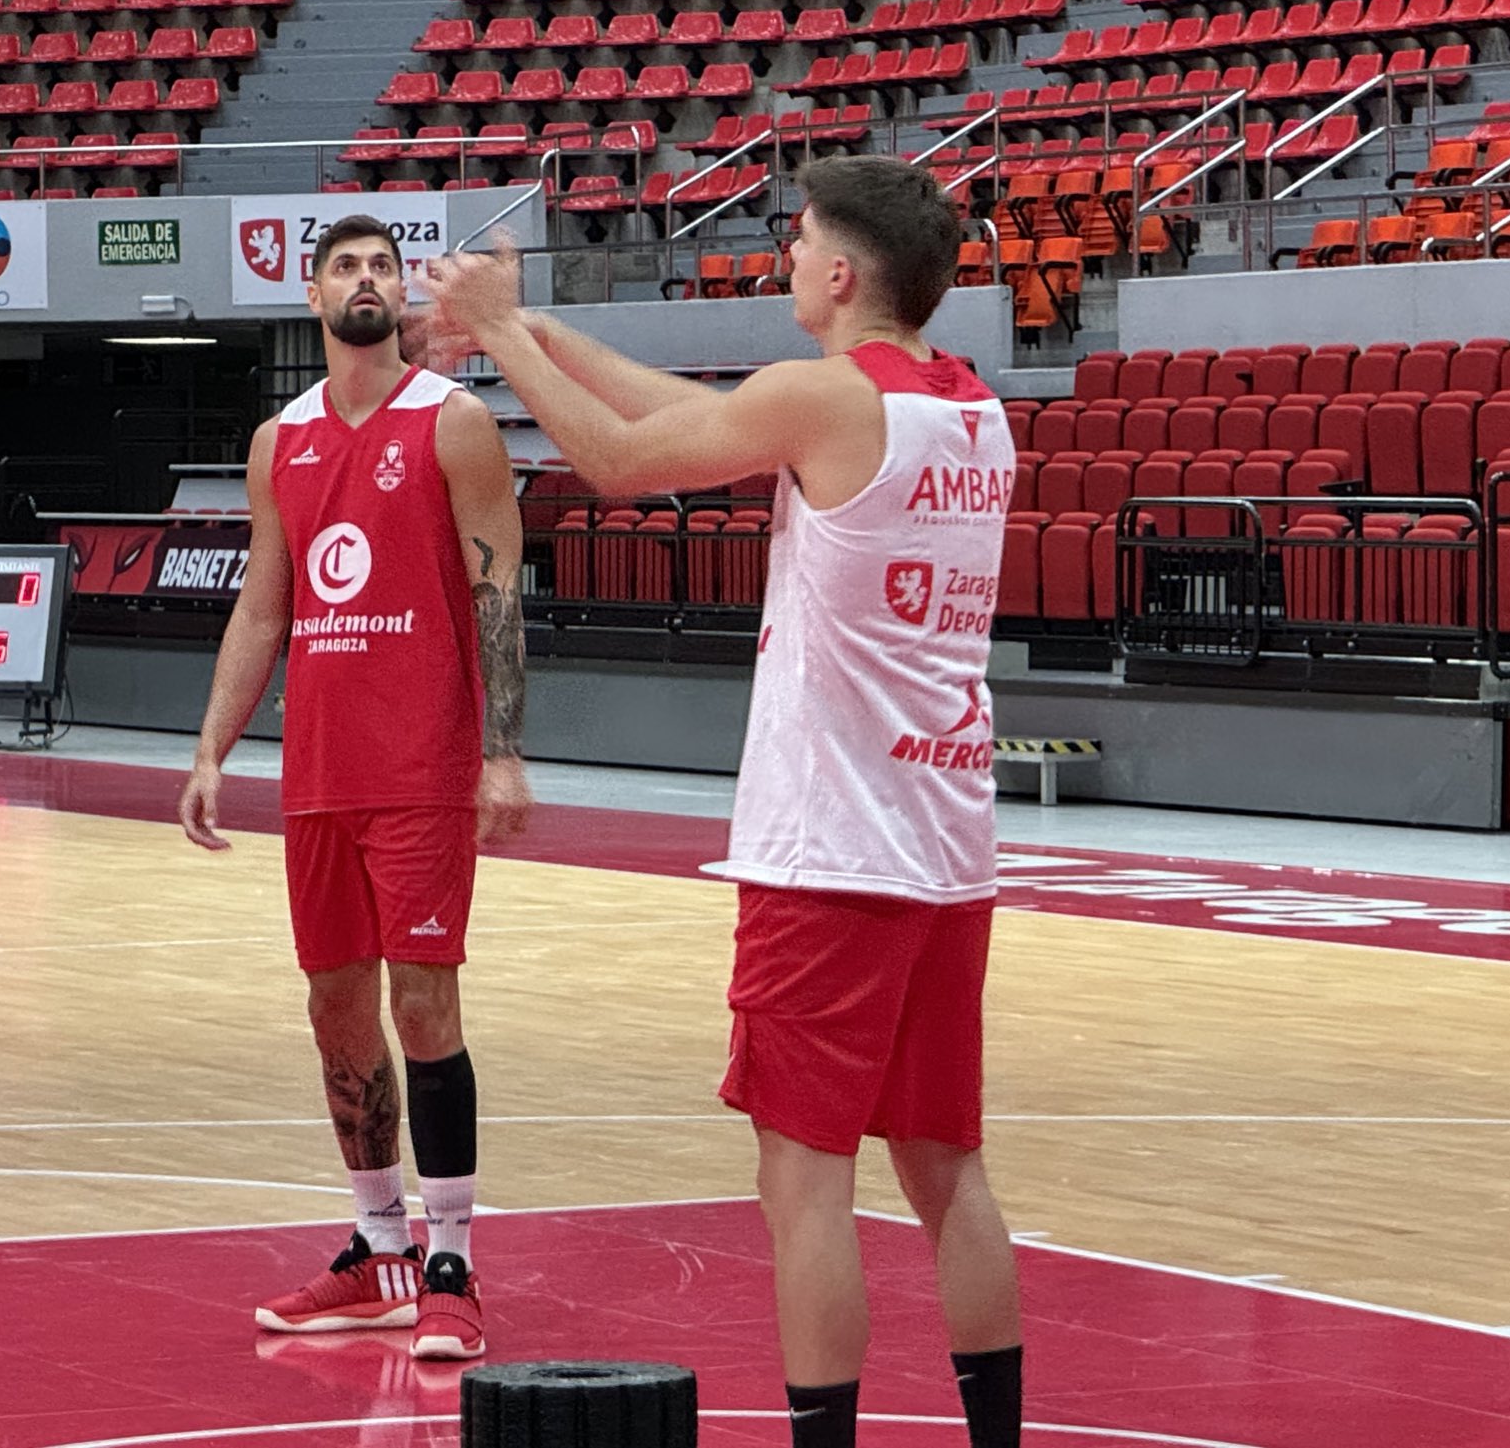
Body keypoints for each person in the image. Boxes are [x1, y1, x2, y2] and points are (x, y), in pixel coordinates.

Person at [427, 156, 1023, 1447]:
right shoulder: (969, 410)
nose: (783, 257)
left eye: (796, 240)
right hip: (944, 848)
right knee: (944, 1167)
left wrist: (488, 342)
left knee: (801, 1182)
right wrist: (527, 328)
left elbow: (623, 462)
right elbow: (701, 415)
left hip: (830, 853)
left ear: (840, 273)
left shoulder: (822, 403)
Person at [179, 213, 532, 1361]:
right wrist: (211, 750)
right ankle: (375, 1244)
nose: (367, 279)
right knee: (336, 1015)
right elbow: (263, 605)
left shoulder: (457, 422)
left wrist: (503, 747)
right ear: (314, 292)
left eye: (384, 265)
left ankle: (451, 1259)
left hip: (422, 766)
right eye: (347, 265)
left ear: (401, 295)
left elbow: (496, 595)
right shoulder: (276, 439)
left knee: (424, 1009)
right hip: (320, 772)